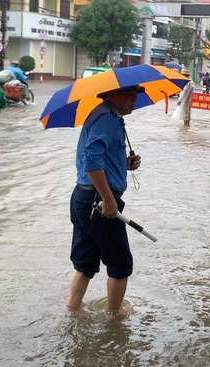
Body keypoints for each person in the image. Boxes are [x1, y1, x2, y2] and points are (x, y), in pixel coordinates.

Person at [67, 84, 143, 315]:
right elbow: (91, 161)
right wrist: (109, 201)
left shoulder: (106, 116)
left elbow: (98, 159)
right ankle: (114, 320)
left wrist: (123, 164)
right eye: (129, 95)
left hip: (84, 197)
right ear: (112, 95)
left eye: (136, 95)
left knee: (85, 263)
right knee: (121, 265)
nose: (134, 100)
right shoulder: (107, 118)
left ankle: (72, 311)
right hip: (99, 201)